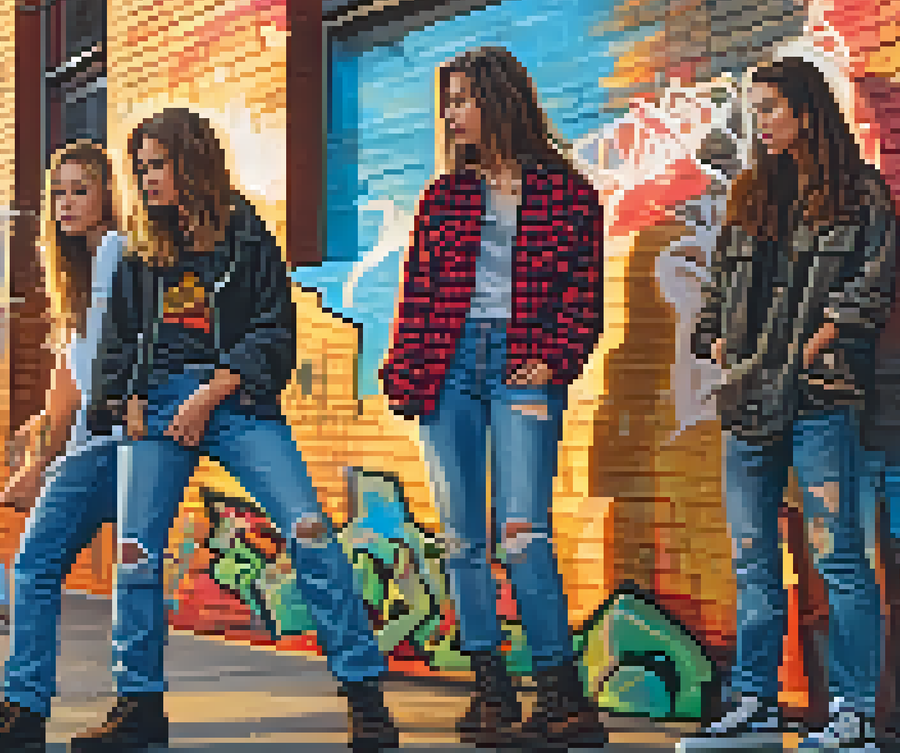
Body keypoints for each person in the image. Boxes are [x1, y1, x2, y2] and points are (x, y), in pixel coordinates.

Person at [91, 108, 400, 753]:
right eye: (140, 167)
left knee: (309, 529)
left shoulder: (246, 232)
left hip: (232, 397)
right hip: (156, 406)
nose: (146, 179)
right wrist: (124, 401)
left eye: (157, 164)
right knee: (135, 554)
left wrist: (212, 393)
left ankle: (365, 694)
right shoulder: (136, 249)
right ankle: (138, 706)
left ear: (191, 161)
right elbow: (115, 344)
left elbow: (274, 331)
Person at [379, 46, 608, 748]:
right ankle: (492, 693)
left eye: (461, 99)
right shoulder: (443, 197)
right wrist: (404, 371)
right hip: (448, 369)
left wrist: (557, 356)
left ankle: (565, 700)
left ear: (499, 99)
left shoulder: (567, 193)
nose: (450, 115)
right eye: (446, 102)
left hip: (520, 368)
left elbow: (585, 292)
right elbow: (416, 295)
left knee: (522, 534)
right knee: (460, 540)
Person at [683, 56, 895, 752]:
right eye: (755, 110)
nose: (760, 121)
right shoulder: (749, 194)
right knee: (752, 562)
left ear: (807, 111)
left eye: (771, 107)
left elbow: (871, 287)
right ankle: (755, 701)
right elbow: (716, 291)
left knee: (838, 559)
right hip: (746, 402)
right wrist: (715, 344)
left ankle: (854, 711)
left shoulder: (860, 195)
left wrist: (818, 342)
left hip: (819, 400)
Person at [0, 141, 130, 751]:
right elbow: (67, 385)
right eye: (59, 191)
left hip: (118, 442)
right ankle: (121, 709)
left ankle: (29, 709)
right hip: (94, 445)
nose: (66, 202)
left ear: (107, 194)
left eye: (80, 189)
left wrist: (49, 463)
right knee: (123, 576)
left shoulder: (115, 252)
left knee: (39, 566)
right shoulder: (76, 276)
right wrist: (39, 461)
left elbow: (113, 366)